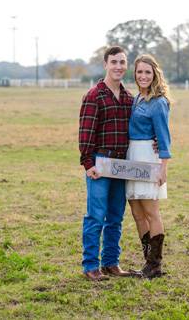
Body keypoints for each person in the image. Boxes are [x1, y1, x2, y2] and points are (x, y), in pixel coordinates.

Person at [78, 46, 137, 281]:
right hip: (100, 162)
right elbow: (86, 133)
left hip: (122, 163)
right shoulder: (94, 95)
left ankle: (111, 263)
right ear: (105, 64)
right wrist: (87, 163)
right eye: (114, 62)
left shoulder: (128, 97)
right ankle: (91, 266)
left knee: (115, 216)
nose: (118, 66)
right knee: (95, 216)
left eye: (122, 62)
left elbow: (136, 130)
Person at [126, 54, 172, 279]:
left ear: (154, 74)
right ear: (134, 74)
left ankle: (156, 264)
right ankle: (147, 263)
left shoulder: (158, 101)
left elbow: (164, 137)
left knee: (151, 211)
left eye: (147, 72)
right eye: (139, 72)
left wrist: (163, 167)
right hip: (131, 156)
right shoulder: (137, 98)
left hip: (148, 157)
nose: (143, 76)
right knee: (136, 212)